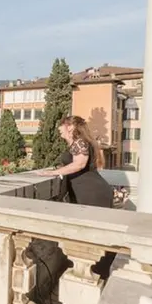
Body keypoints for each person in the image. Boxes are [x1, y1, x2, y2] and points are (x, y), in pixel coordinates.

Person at [37, 115, 117, 278]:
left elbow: (79, 164)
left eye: (61, 126)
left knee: (95, 236)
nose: (59, 129)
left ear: (70, 127)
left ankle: (98, 275)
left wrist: (54, 172)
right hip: (89, 192)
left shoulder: (80, 141)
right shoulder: (78, 143)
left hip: (92, 193)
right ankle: (97, 275)